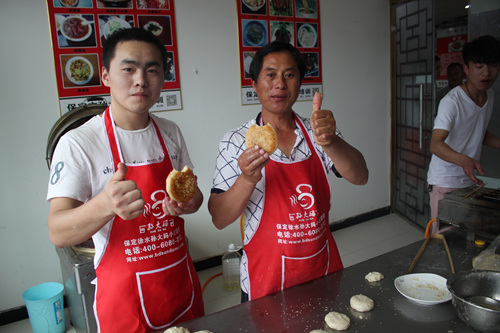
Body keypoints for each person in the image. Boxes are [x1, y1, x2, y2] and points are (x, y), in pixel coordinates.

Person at [46, 28, 204, 332]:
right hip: (124, 299)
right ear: (105, 75)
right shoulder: (79, 142)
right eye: (128, 69)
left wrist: (188, 202)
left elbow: (195, 199)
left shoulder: (170, 131)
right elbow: (57, 231)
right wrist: (105, 205)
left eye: (152, 70)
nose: (141, 80)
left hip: (179, 281)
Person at [208, 42, 369, 301]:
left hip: (321, 266)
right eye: (270, 74)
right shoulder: (236, 140)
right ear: (254, 84)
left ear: (300, 83)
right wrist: (247, 178)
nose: (280, 84)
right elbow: (219, 217)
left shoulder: (320, 132)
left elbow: (361, 177)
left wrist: (331, 142)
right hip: (264, 277)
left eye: (289, 75)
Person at [427, 35, 500, 232]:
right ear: (467, 69)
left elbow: (477, 132)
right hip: (445, 182)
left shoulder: (489, 95)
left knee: (466, 237)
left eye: (492, 65)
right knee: (443, 241)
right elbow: (435, 144)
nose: (486, 73)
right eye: (479, 66)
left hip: (469, 180)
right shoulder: (452, 102)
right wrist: (464, 160)